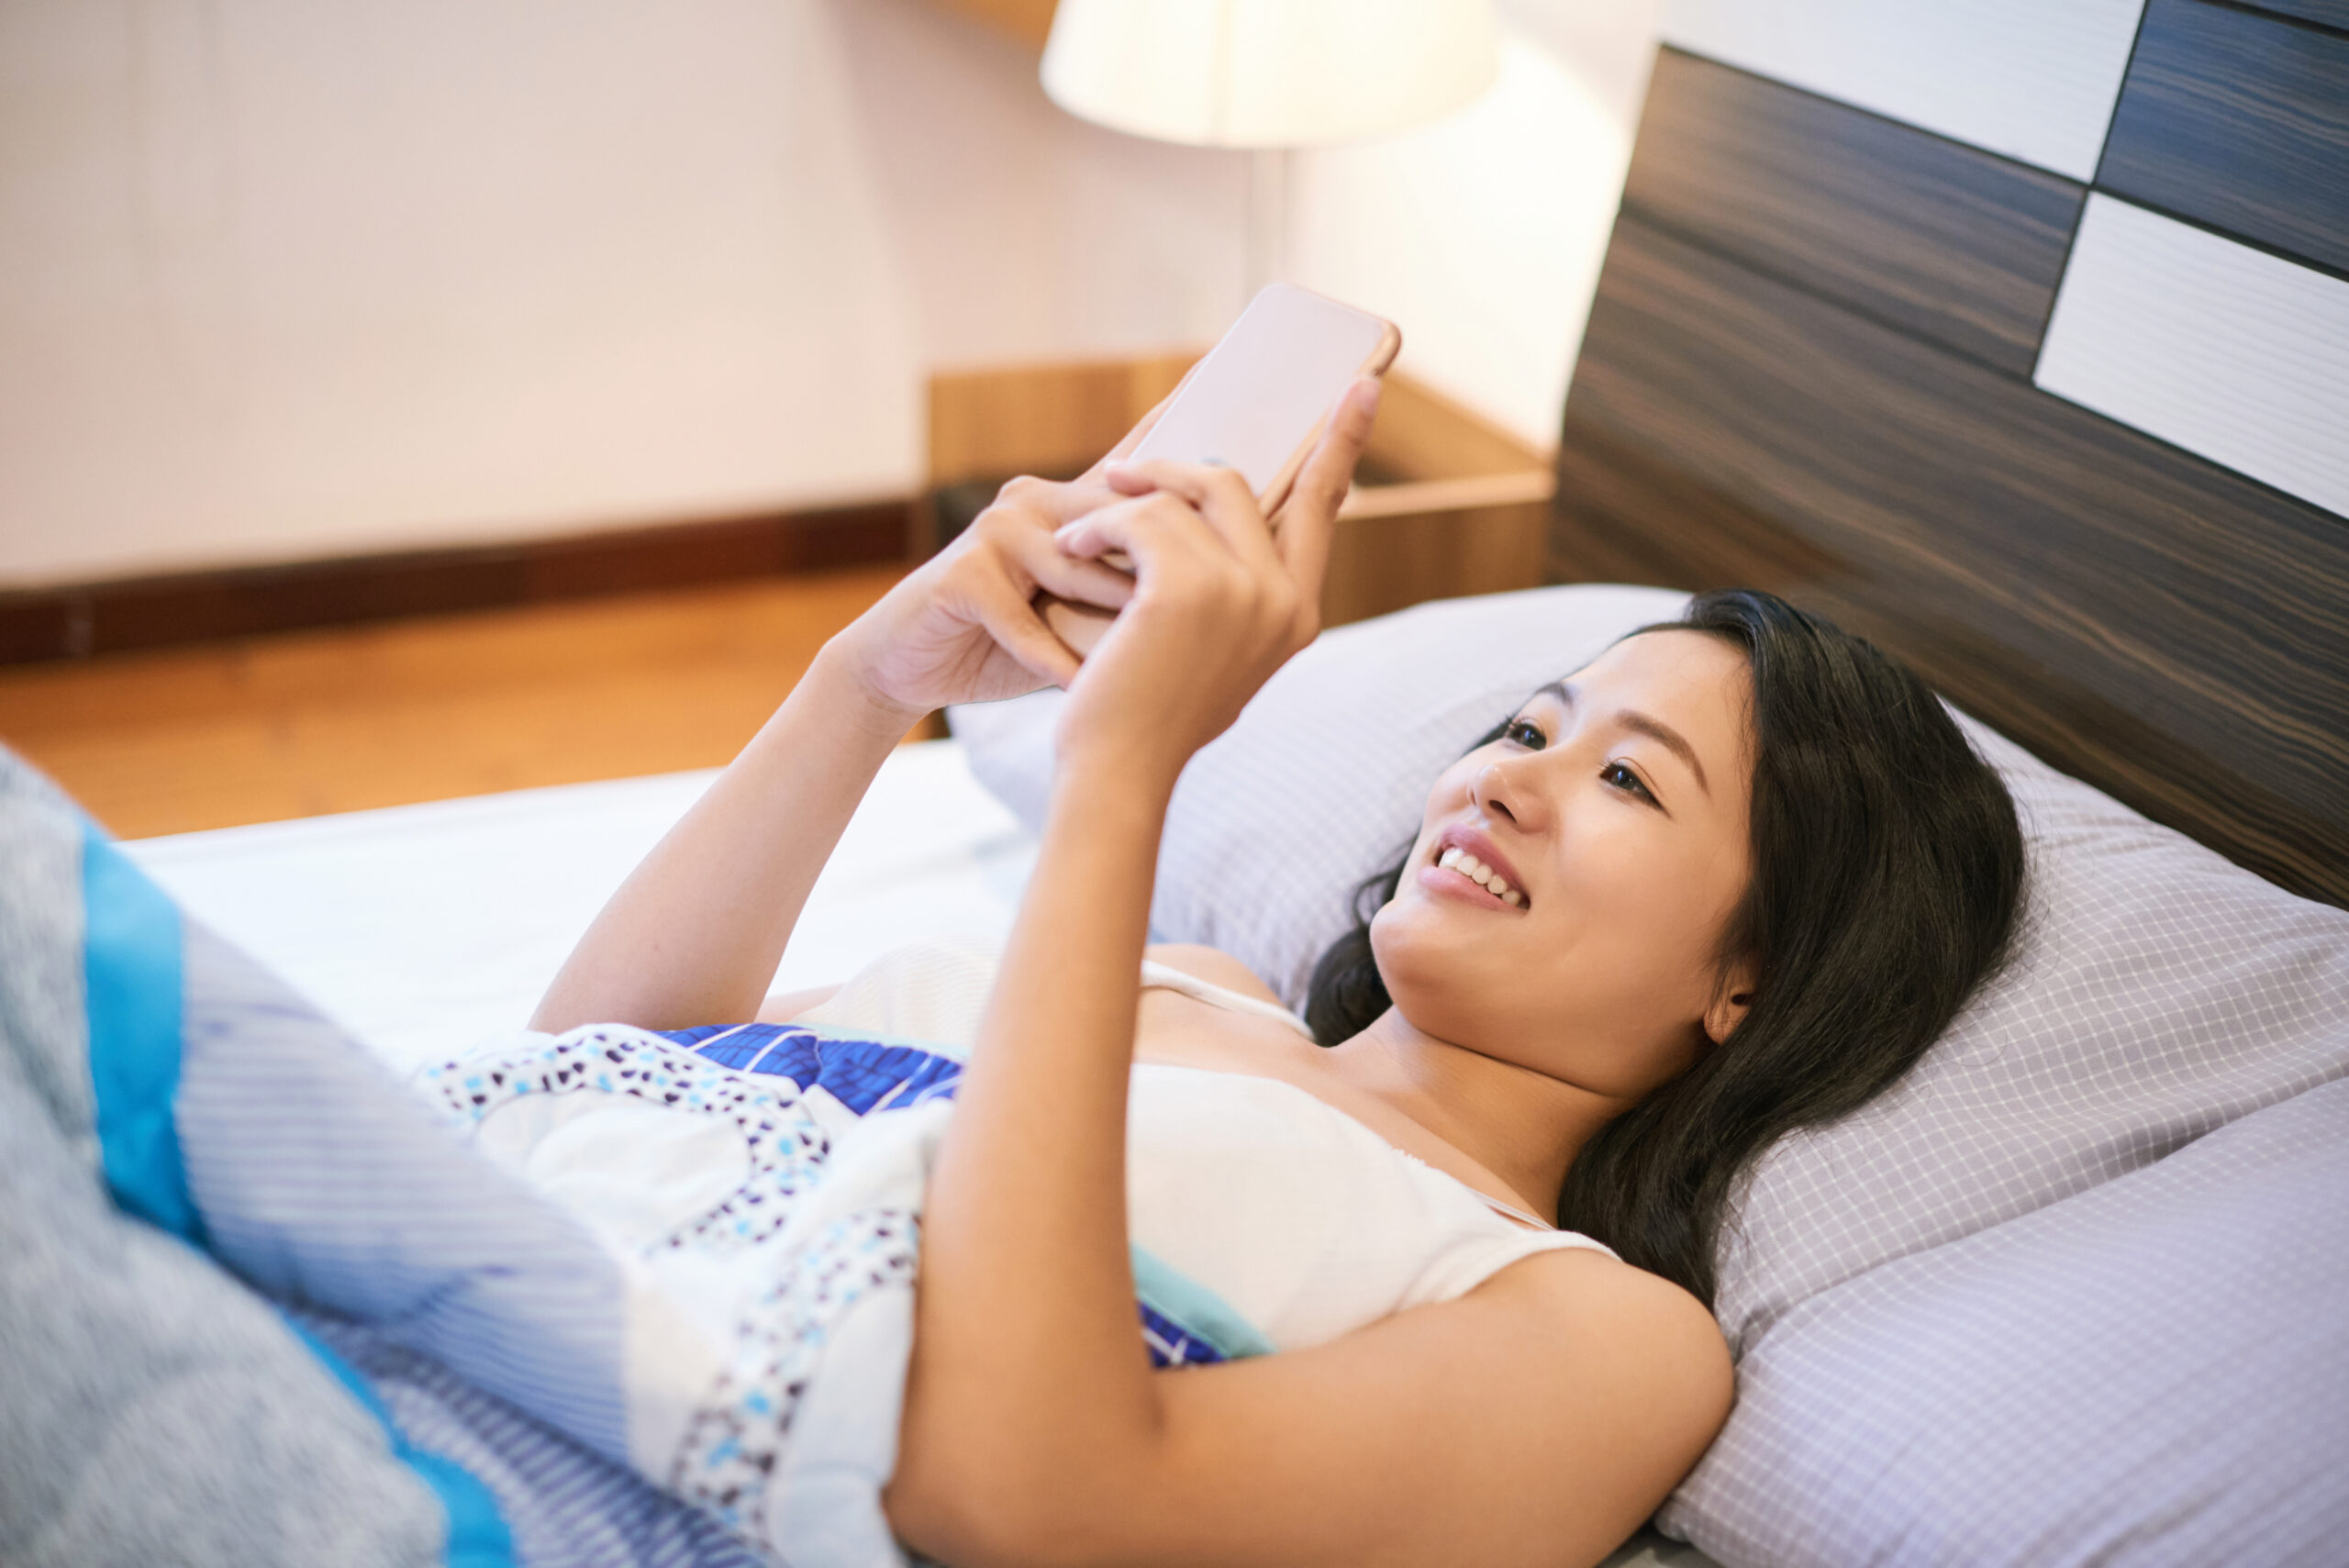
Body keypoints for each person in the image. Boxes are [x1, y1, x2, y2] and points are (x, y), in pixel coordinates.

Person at [529, 379, 2026, 1568]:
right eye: (1526, 730)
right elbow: (597, 1075)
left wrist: (1126, 768)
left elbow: (1029, 1498)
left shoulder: (1606, 1336)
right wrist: (866, 682)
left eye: (1630, 782)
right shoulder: (1187, 978)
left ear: (1750, 985)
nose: (1500, 786)